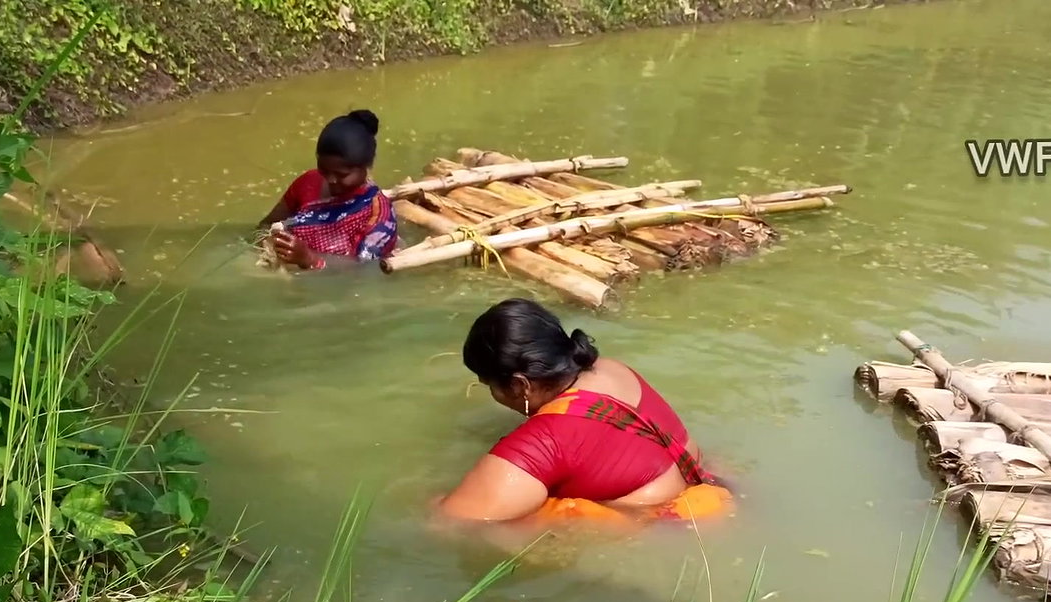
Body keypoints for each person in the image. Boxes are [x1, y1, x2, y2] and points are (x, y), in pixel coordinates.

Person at [436, 298, 735, 527]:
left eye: (489, 385)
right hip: (710, 487)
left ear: (519, 385)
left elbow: (454, 523)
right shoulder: (613, 369)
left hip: (663, 527)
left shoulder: (545, 441)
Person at [256, 109, 399, 270]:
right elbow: (265, 226)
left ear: (366, 166)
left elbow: (362, 270)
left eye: (342, 174)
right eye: (324, 170)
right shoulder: (309, 182)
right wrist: (270, 246)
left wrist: (310, 260)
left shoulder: (379, 216)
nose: (330, 180)